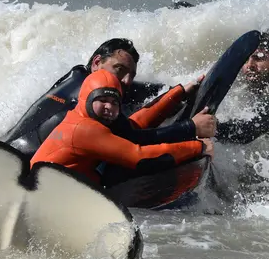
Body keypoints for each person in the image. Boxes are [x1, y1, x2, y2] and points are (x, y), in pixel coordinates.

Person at [0, 38, 216, 158]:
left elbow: (137, 96)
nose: (126, 81)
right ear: (96, 63)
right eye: (119, 69)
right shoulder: (87, 99)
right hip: (21, 164)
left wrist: (178, 91)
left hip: (7, 150)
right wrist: (190, 130)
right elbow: (133, 140)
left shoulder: (80, 77)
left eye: (131, 75)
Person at [30, 69, 214, 185]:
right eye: (101, 100)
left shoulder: (86, 115)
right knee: (127, 167)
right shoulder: (83, 129)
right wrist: (198, 146)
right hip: (47, 200)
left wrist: (179, 93)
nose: (109, 107)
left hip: (60, 190)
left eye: (114, 102)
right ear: (85, 99)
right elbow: (140, 157)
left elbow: (134, 126)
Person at [216, 32, 269, 144]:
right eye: (245, 59)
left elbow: (248, 131)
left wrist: (211, 127)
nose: (250, 65)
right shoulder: (237, 84)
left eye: (258, 58)